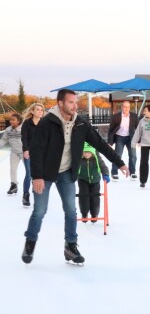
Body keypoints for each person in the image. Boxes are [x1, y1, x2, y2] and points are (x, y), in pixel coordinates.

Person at [22, 89, 129, 265]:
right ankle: (30, 241)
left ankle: (70, 247)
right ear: (60, 103)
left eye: (76, 102)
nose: (75, 105)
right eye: (71, 102)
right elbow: (36, 149)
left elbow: (100, 144)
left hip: (67, 172)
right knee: (40, 211)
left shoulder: (80, 124)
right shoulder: (47, 122)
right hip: (46, 174)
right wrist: (37, 176)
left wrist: (119, 162)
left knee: (71, 211)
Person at [20, 102, 45, 207]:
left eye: (41, 110)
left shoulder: (44, 123)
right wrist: (25, 150)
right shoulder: (26, 123)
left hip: (41, 154)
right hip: (29, 153)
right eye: (38, 109)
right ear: (32, 111)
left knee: (39, 175)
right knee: (29, 174)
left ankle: (38, 195)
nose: (40, 112)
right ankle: (26, 195)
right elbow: (24, 138)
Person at [77, 144, 109, 223]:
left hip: (95, 181)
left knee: (95, 198)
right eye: (84, 152)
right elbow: (72, 166)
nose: (86, 154)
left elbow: (103, 166)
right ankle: (84, 213)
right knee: (84, 197)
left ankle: (94, 214)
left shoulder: (96, 157)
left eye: (88, 152)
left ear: (92, 152)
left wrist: (105, 174)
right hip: (82, 180)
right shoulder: (79, 158)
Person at [107, 100, 139, 181]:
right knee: (117, 155)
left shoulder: (134, 116)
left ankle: (133, 172)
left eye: (128, 107)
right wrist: (110, 141)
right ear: (122, 107)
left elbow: (138, 129)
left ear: (129, 108)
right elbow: (111, 129)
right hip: (119, 137)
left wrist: (139, 140)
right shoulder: (116, 116)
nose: (126, 108)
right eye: (124, 107)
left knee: (133, 156)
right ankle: (114, 173)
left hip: (130, 138)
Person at [1, 112, 24, 197]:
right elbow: (3, 140)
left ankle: (34, 184)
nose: (11, 121)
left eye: (13, 120)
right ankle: (13, 185)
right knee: (13, 169)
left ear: (18, 121)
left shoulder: (23, 129)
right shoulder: (8, 130)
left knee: (30, 170)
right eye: (11, 119)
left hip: (24, 152)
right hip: (14, 152)